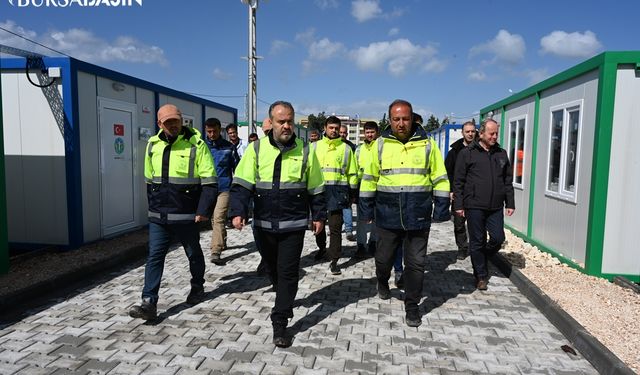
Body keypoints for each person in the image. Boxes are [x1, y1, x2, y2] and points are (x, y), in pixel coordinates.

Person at [229, 101, 326, 348]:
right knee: (272, 268)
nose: (286, 125)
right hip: (263, 224)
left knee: (288, 272)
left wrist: (318, 215)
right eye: (281, 121)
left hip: (293, 224)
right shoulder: (256, 149)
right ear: (270, 122)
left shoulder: (305, 150)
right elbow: (241, 183)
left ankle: (280, 322)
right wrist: (238, 211)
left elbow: (316, 187)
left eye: (289, 121)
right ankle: (282, 291)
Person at [359, 99, 450, 327]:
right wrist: (365, 209)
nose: (401, 123)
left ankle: (412, 307)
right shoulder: (379, 145)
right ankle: (382, 281)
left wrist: (440, 208)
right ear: (389, 120)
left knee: (416, 264)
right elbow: (369, 179)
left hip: (418, 215)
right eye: (396, 119)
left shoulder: (428, 145)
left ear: (412, 119)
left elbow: (440, 177)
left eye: (405, 119)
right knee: (384, 260)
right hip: (387, 215)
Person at [129, 104, 217, 321]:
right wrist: (152, 208)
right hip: (159, 215)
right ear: (159, 123)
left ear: (182, 120)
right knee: (155, 255)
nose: (173, 125)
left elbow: (210, 181)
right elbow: (149, 181)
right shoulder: (153, 144)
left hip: (186, 214)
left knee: (193, 253)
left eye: (176, 121)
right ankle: (149, 302)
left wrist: (203, 210)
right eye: (168, 122)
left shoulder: (196, 144)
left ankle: (197, 287)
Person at [453, 118, 515, 291]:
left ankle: (481, 257)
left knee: (498, 238)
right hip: (474, 205)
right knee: (477, 241)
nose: (495, 136)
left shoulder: (501, 153)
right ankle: (480, 275)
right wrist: (459, 204)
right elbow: (458, 181)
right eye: (491, 133)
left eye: (496, 133)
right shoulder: (468, 153)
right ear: (482, 133)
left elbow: (507, 180)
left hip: (495, 206)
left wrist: (510, 202)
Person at [313, 116, 358, 275]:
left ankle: (334, 259)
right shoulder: (314, 147)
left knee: (335, 228)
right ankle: (321, 248)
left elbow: (352, 172)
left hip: (338, 193)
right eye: (331, 127)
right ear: (325, 128)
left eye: (336, 128)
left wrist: (352, 192)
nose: (334, 131)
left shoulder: (346, 149)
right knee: (317, 224)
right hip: (318, 191)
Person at [204, 118, 239, 265]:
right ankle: (222, 241)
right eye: (209, 131)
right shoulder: (202, 147)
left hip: (224, 188)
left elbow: (237, 167)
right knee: (214, 219)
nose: (211, 134)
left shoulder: (229, 148)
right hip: (207, 188)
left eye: (214, 131)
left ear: (220, 130)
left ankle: (215, 251)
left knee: (218, 217)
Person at [444, 121, 477, 261]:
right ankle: (462, 248)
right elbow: (447, 172)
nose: (470, 134)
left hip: (476, 193)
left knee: (476, 223)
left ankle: (476, 248)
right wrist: (450, 190)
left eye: (472, 131)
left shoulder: (481, 149)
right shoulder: (454, 152)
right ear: (462, 133)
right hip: (459, 192)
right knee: (459, 223)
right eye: (467, 131)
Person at [354, 121, 379, 258]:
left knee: (376, 218)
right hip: (363, 190)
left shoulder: (382, 147)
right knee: (361, 219)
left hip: (379, 189)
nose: (369, 134)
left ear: (377, 132)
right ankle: (361, 245)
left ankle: (373, 242)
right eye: (367, 132)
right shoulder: (359, 149)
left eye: (372, 132)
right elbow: (355, 170)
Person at [339, 124, 357, 242]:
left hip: (347, 182)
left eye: (344, 133)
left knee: (347, 206)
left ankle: (349, 230)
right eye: (341, 132)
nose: (342, 135)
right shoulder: (332, 145)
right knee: (334, 208)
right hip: (334, 182)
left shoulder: (351, 147)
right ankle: (335, 228)